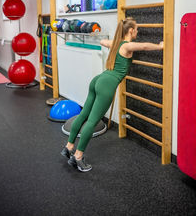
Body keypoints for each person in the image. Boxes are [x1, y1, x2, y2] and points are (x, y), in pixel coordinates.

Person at [61, 17, 163, 172]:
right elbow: (143, 46)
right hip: (107, 84)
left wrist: (111, 41)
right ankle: (78, 157)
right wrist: (159, 46)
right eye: (136, 29)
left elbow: (103, 42)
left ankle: (68, 148)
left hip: (98, 79)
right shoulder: (127, 46)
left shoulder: (115, 44)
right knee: (92, 121)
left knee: (83, 116)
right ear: (130, 30)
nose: (137, 31)